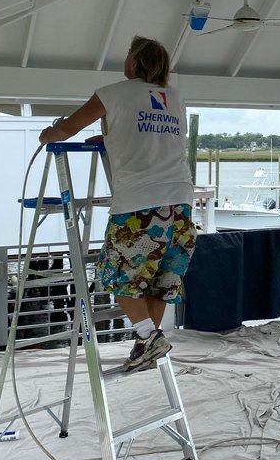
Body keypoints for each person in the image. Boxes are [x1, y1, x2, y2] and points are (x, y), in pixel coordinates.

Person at [39, 36, 196, 371]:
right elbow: (156, 139)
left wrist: (47, 135)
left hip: (141, 207)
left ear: (134, 62)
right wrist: (113, 137)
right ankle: (145, 347)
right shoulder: (175, 98)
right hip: (181, 206)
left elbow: (67, 130)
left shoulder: (112, 93)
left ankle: (149, 338)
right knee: (158, 283)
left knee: (116, 277)